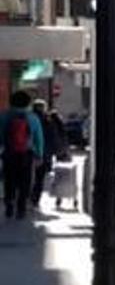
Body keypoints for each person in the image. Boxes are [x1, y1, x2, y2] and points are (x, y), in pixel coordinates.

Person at [1, 90, 44, 220]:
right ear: (28, 103)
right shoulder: (33, 118)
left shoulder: (4, 116)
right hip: (26, 153)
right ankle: (21, 208)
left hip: (9, 152)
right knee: (25, 181)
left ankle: (9, 202)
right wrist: (39, 155)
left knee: (9, 179)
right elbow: (39, 138)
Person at [31, 101, 67, 207]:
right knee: (39, 178)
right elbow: (53, 137)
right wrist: (56, 152)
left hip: (27, 152)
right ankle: (35, 199)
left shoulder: (28, 118)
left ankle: (25, 197)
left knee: (26, 176)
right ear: (44, 108)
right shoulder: (48, 120)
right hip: (44, 153)